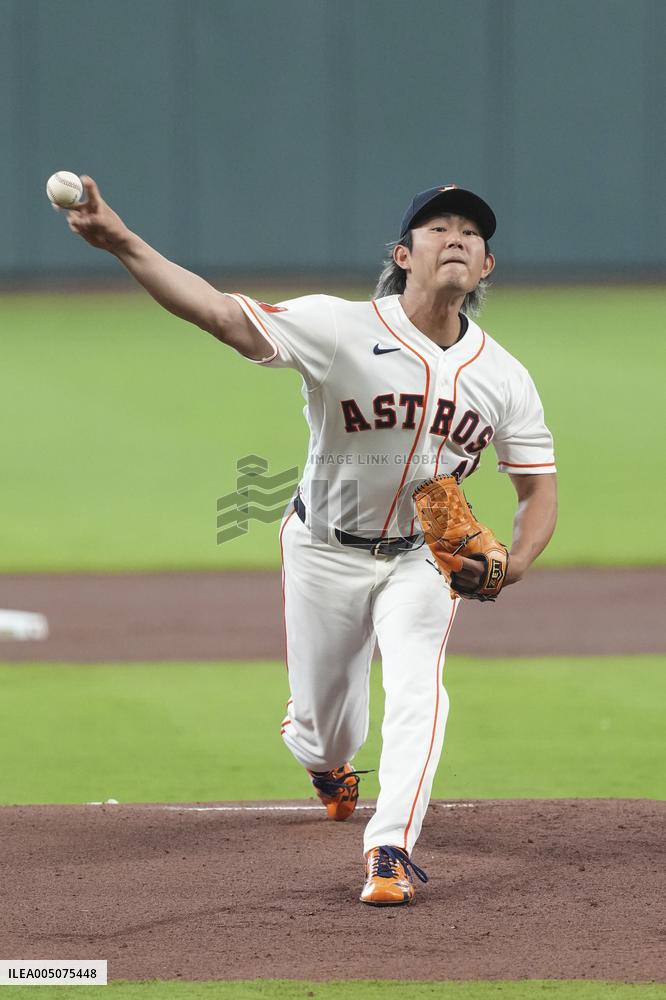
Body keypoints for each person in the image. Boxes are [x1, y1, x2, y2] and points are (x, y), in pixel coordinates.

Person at [66, 180, 557, 906]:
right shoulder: (338, 327)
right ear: (402, 254)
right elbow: (220, 315)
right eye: (437, 227)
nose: (456, 236)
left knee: (420, 687)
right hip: (324, 550)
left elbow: (537, 486)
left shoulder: (504, 377)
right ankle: (324, 759)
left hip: (423, 562)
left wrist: (514, 565)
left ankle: (389, 848)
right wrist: (124, 243)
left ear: (486, 267)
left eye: (472, 233)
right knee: (328, 729)